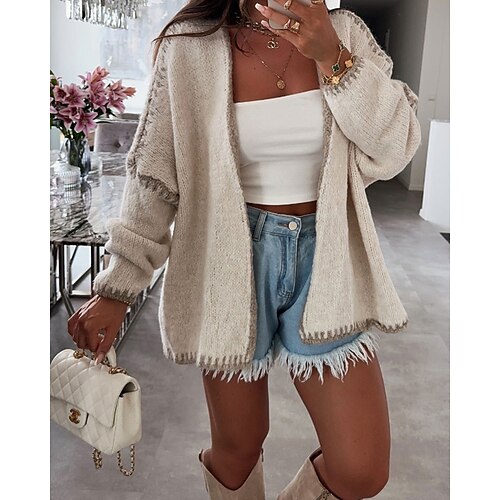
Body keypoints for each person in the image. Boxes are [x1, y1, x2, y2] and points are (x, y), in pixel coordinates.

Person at [67, 0, 421, 498]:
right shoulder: (188, 47)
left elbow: (396, 146)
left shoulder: (344, 33)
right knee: (238, 447)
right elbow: (154, 176)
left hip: (327, 260)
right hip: (226, 260)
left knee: (361, 468)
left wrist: (333, 57)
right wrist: (118, 285)